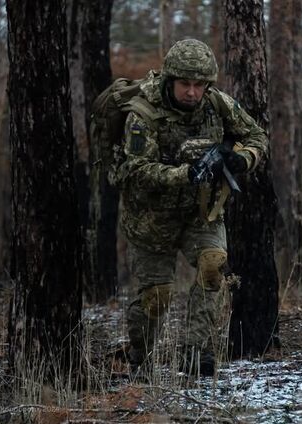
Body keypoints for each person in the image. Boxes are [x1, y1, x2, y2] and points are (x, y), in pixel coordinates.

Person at [116, 39, 268, 377]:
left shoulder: (218, 103)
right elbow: (136, 171)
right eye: (185, 84)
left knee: (213, 266)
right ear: (171, 80)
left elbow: (258, 137)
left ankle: (195, 353)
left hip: (202, 213)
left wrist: (241, 159)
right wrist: (186, 173)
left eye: (199, 85)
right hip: (150, 219)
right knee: (156, 296)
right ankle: (141, 359)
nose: (192, 92)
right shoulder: (143, 114)